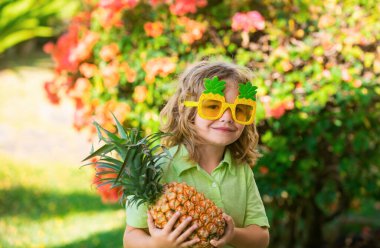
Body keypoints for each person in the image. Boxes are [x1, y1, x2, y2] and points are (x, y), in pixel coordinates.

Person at [123, 60, 270, 248]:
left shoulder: (241, 171)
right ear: (187, 111)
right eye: (213, 106)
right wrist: (157, 244)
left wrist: (232, 234)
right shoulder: (159, 168)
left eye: (240, 110)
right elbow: (130, 237)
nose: (227, 117)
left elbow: (261, 238)